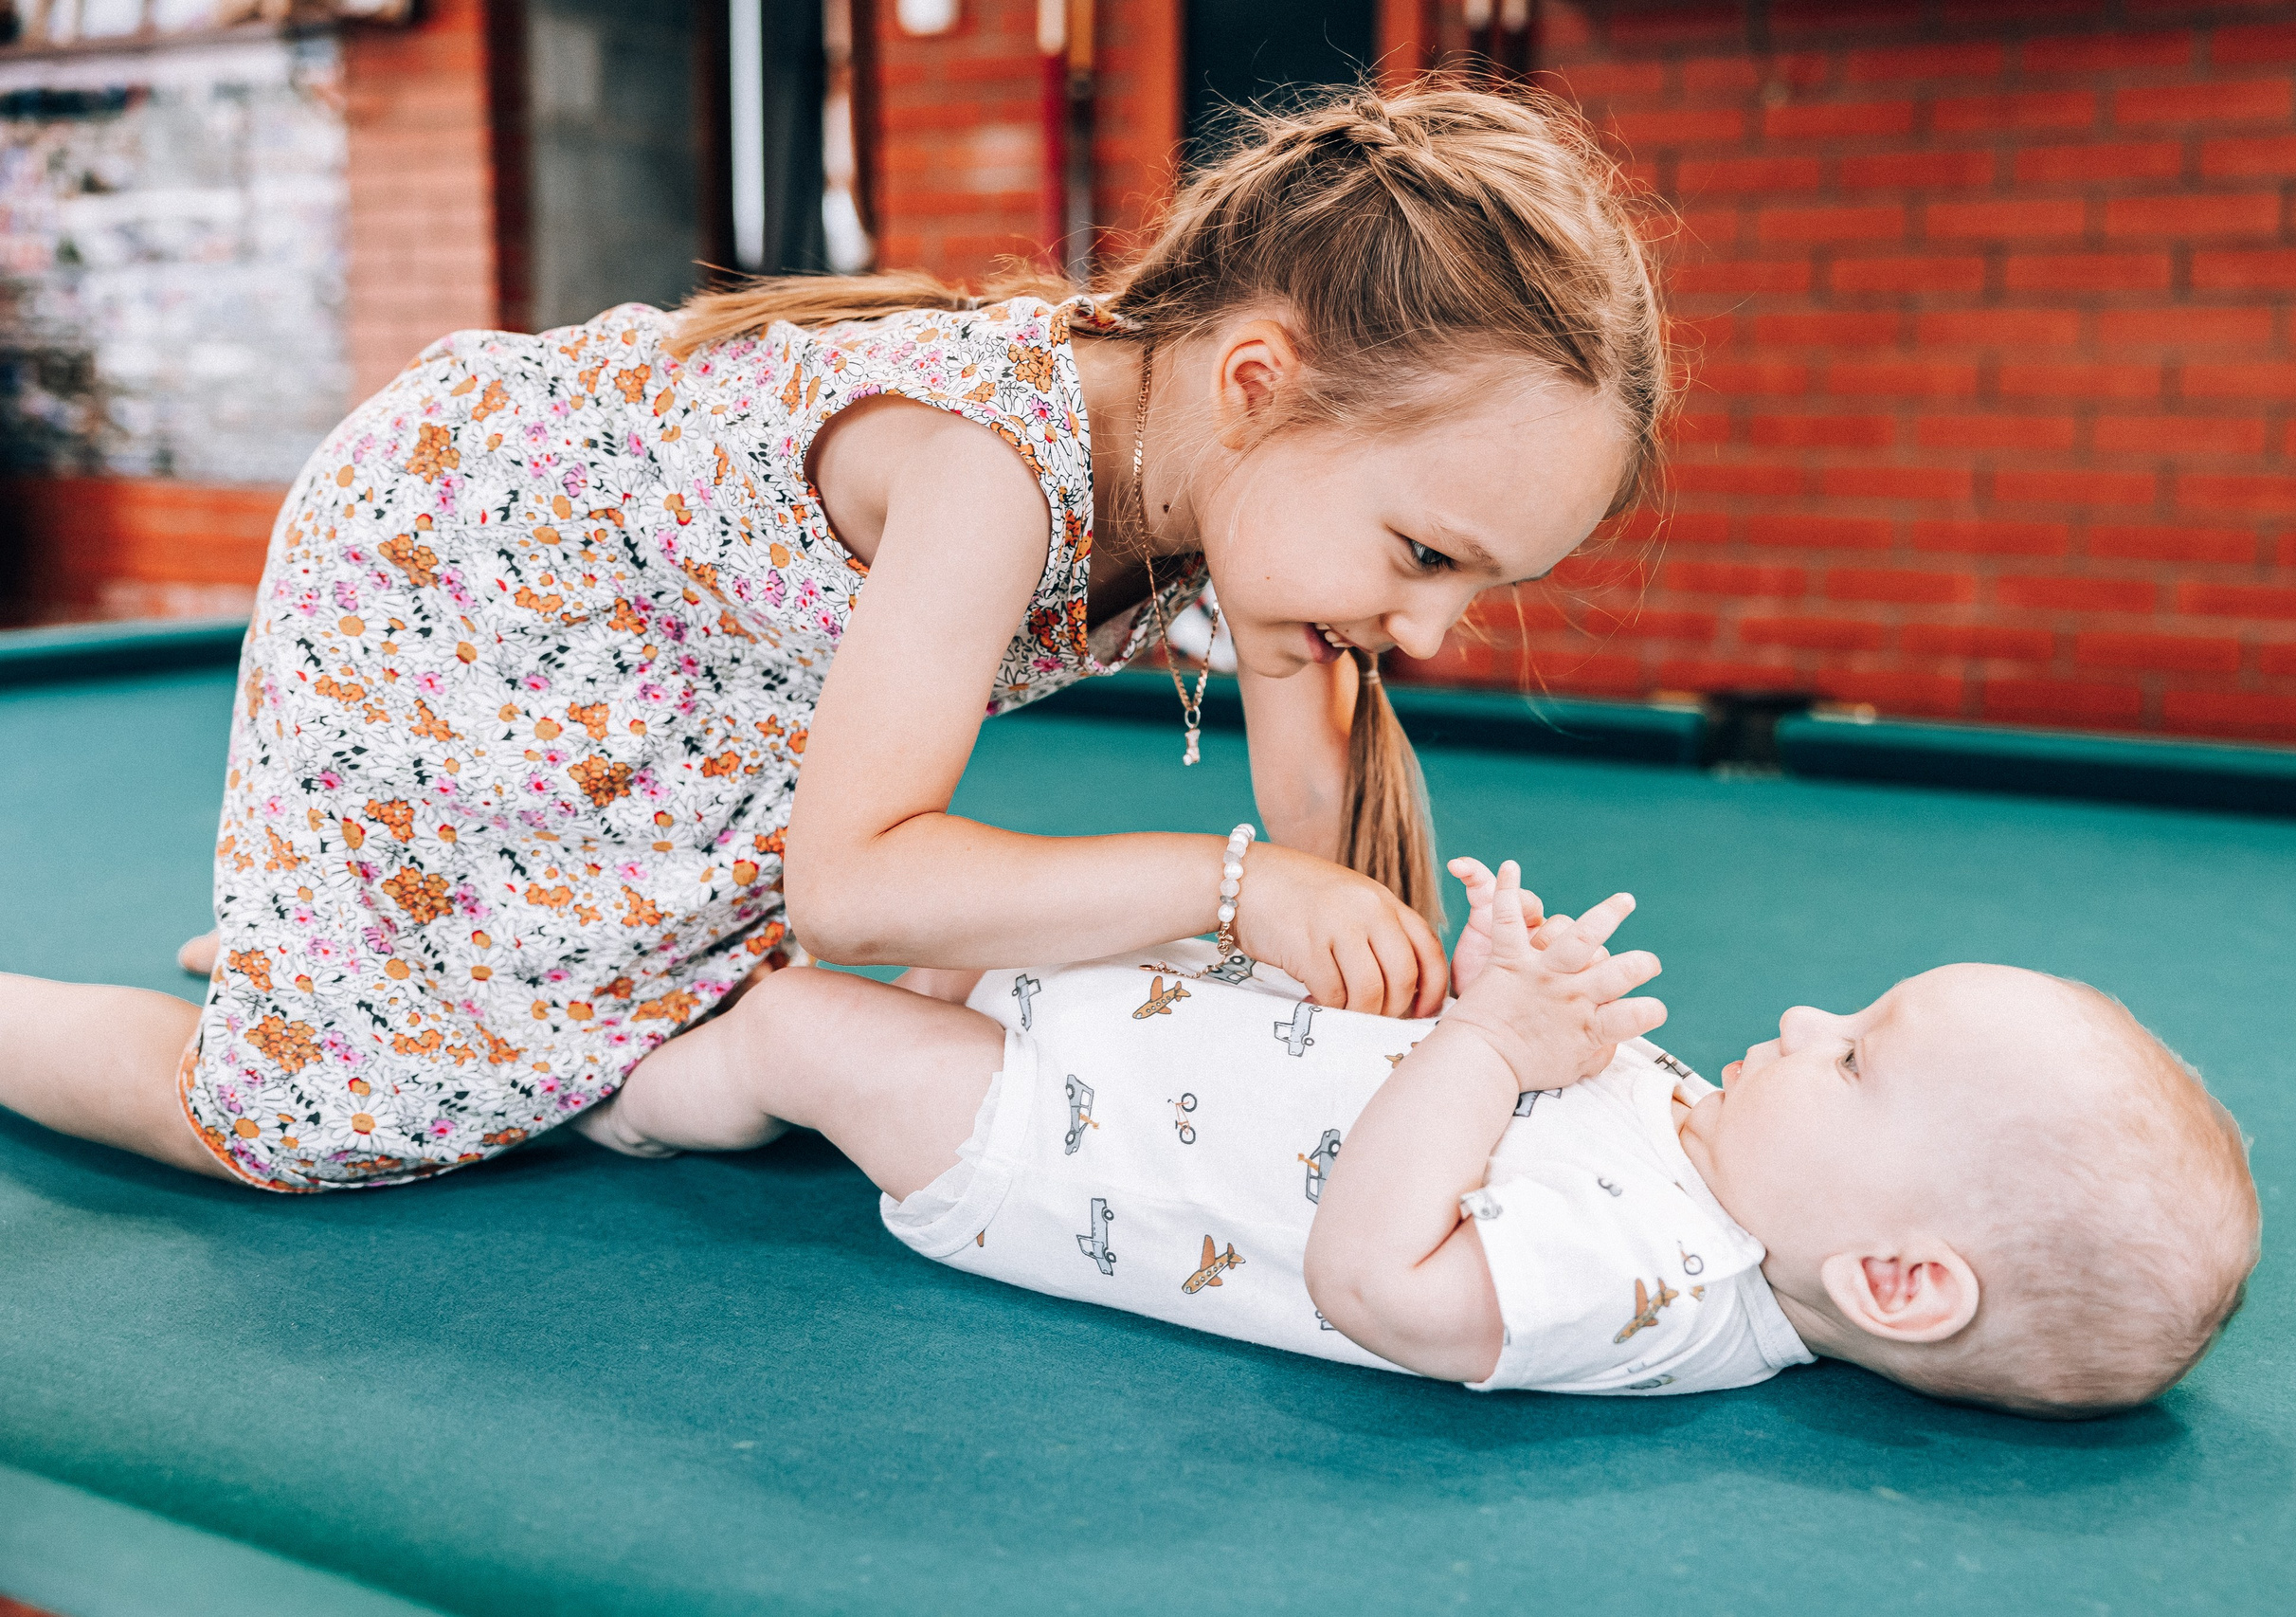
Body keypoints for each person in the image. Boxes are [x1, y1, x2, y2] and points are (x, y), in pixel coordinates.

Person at [0, 83, 1670, 1191]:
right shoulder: (994, 466)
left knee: (569, 1018)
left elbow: (1337, 895)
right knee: (322, 1119)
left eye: (1477, 587)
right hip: (469, 559)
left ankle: (351, 946)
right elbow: (853, 890)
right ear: (1258, 383)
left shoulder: (1238, 486)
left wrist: (1438, 990)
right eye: (1426, 554)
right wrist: (1235, 887)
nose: (1431, 625)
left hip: (670, 668)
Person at [586, 856, 2262, 1418]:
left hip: (1059, 1153)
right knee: (962, 931)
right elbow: (1486, 1096)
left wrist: (1481, 1045)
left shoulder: (1650, 1285)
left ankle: (613, 1104)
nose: (1811, 1017)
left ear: (1896, 1279)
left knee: (806, 1034)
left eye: (1857, 1056)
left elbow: (1377, 1272)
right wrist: (1505, 989)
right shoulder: (1720, 1151)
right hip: (1150, 1041)